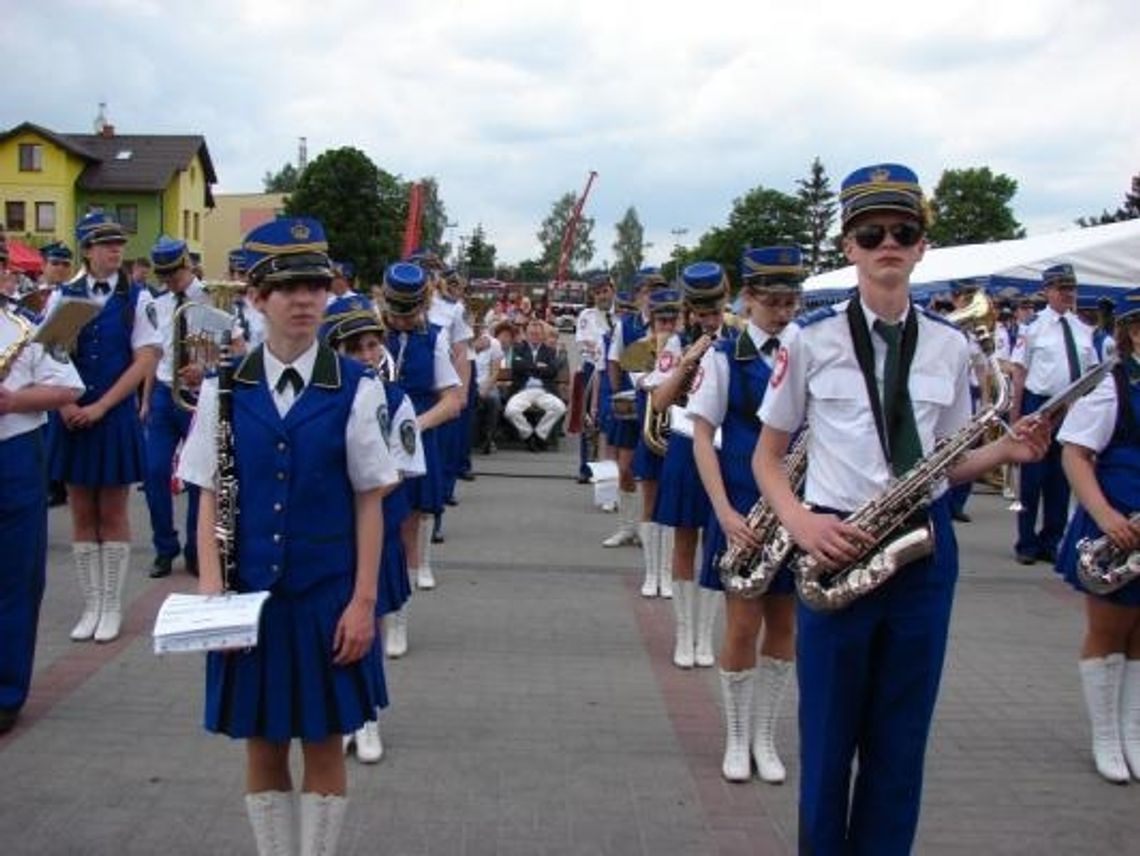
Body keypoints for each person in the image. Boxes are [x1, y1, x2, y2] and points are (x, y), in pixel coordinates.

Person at [754, 163, 1049, 854]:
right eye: (872, 231)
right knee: (827, 744)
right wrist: (798, 523)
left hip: (922, 551)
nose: (888, 241)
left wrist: (1004, 455)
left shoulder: (951, 345)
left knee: (900, 744)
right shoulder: (810, 341)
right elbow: (766, 457)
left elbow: (950, 460)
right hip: (836, 544)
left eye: (904, 231)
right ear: (850, 247)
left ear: (921, 247)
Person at [177, 216, 399, 855]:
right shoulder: (224, 390)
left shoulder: (355, 388)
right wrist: (215, 588)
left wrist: (363, 603)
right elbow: (213, 494)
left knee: (325, 740)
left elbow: (370, 503)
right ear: (256, 298)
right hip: (249, 595)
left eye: (315, 285)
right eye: (287, 287)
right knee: (263, 740)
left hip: (326, 597)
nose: (304, 299)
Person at [689, 250, 801, 783]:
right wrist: (724, 512)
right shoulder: (723, 356)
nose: (782, 313)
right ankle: (736, 737)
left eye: (790, 302)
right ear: (749, 299)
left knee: (786, 622)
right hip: (740, 502)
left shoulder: (805, 351)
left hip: (795, 504)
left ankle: (766, 736)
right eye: (772, 302)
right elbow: (702, 439)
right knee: (742, 621)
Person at [48, 211, 161, 644]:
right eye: (106, 244)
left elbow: (146, 358)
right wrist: (67, 404)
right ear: (87, 250)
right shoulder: (66, 296)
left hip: (111, 415)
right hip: (71, 413)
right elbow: (51, 355)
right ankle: (91, 604)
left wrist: (101, 406)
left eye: (119, 243)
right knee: (80, 513)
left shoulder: (137, 298)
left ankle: (113, 605)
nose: (116, 250)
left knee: (112, 512)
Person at [323, 296, 425, 765]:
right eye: (356, 348)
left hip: (374, 524)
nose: (368, 355)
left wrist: (353, 502)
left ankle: (367, 719)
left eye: (373, 345)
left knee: (370, 621)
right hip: (325, 531)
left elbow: (401, 468)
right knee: (328, 623)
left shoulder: (396, 397)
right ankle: (337, 717)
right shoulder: (320, 397)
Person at [1054, 287, 1140, 783]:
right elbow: (1075, 454)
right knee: (1110, 629)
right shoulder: (1115, 385)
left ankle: (1131, 731)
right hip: (1117, 526)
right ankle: (1106, 736)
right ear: (1130, 331)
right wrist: (1106, 515)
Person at [0, 298, 84, 734]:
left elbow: (69, 389)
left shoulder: (28, 327)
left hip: (12, 451)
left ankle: (6, 694)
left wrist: (14, 400)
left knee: (16, 575)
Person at [652, 262, 731, 668]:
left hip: (726, 449)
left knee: (717, 546)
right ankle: (685, 633)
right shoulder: (676, 343)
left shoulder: (739, 340)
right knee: (685, 542)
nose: (709, 320)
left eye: (714, 313)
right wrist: (687, 361)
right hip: (686, 445)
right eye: (701, 314)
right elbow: (659, 401)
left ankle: (706, 636)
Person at [1010, 264, 1101, 564]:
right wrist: (1015, 415)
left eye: (1071, 289)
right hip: (1040, 406)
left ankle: (1052, 539)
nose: (1067, 294)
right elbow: (1019, 374)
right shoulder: (1032, 327)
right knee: (1032, 479)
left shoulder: (1084, 329)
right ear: (1047, 291)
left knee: (1060, 479)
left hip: (1073, 407)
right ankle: (1026, 542)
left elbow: (1093, 375)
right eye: (1061, 289)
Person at [382, 262, 462, 591]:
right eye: (396, 314)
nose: (402, 321)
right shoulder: (370, 334)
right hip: (373, 427)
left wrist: (416, 425)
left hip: (417, 431)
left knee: (417, 509)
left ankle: (420, 565)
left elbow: (452, 401)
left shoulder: (435, 338)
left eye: (409, 314)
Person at [142, 236, 208, 579]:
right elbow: (155, 352)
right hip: (165, 393)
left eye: (174, 274)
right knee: (154, 472)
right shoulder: (158, 303)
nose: (169, 281)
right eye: (163, 276)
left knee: (198, 478)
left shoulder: (212, 297)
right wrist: (146, 399)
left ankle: (197, 550)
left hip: (199, 395)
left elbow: (236, 348)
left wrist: (206, 369)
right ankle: (164, 547)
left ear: (187, 265)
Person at [574, 274, 615, 482]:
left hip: (617, 369)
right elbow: (583, 343)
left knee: (614, 418)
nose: (602, 296)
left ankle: (612, 469)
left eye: (605, 291)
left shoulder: (622, 314)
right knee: (590, 419)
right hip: (593, 369)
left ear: (612, 290)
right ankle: (586, 468)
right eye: (597, 293)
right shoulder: (586, 315)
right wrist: (602, 347)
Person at [504, 318, 567, 451]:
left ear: (542, 336)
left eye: (537, 334)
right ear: (527, 335)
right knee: (510, 411)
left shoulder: (549, 351)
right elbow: (517, 366)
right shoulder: (518, 348)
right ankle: (528, 435)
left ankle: (539, 435)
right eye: (532, 334)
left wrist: (529, 367)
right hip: (522, 390)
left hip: (543, 391)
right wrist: (538, 367)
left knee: (559, 407)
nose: (534, 337)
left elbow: (552, 371)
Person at [471, 320, 505, 453]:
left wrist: (485, 388)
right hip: (466, 385)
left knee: (493, 400)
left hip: (486, 384)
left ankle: (487, 439)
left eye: (478, 326)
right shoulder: (462, 342)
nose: (475, 328)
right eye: (473, 325)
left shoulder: (494, 343)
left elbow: (495, 372)